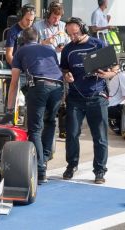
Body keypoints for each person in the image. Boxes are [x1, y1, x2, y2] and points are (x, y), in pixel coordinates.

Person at [0, 27, 64, 184]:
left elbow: (14, 83)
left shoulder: (20, 52)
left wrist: (9, 110)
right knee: (50, 123)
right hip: (58, 87)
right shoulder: (49, 49)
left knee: (35, 128)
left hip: (40, 86)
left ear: (22, 40)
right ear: (38, 37)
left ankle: (40, 169)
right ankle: (45, 160)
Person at [60, 17, 118, 184]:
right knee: (71, 134)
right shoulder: (68, 50)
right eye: (69, 34)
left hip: (97, 96)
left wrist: (108, 74)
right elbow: (64, 68)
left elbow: (115, 66)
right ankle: (71, 165)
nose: (73, 37)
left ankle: (99, 170)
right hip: (75, 97)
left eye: (75, 33)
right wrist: (66, 75)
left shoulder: (98, 44)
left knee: (99, 136)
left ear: (83, 29)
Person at [33, 1, 70, 140]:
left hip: (61, 66)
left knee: (64, 99)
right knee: (46, 100)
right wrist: (44, 43)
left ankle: (63, 130)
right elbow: (31, 45)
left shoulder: (63, 26)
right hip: (44, 68)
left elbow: (69, 43)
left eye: (59, 17)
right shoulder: (38, 26)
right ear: (49, 14)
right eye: (54, 17)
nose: (57, 20)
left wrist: (63, 48)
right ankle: (42, 130)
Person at [108, 70, 124, 135]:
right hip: (111, 107)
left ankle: (118, 124)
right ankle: (116, 123)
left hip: (116, 106)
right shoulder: (123, 75)